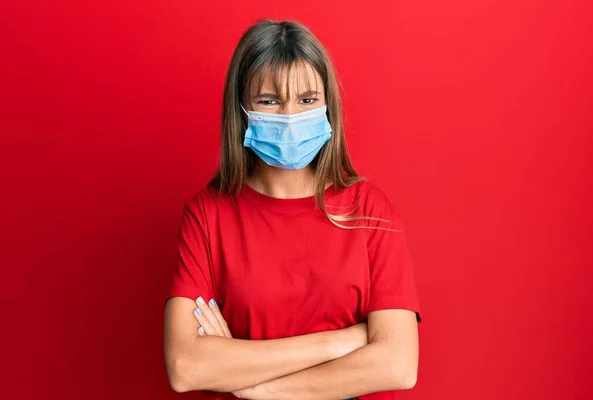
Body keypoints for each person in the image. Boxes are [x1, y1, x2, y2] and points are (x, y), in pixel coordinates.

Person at [163, 18, 422, 400]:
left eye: (307, 100)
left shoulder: (369, 211)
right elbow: (186, 367)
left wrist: (256, 388)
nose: (290, 117)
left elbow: (397, 365)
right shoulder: (207, 215)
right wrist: (337, 343)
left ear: (328, 105)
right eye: (269, 100)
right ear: (242, 110)